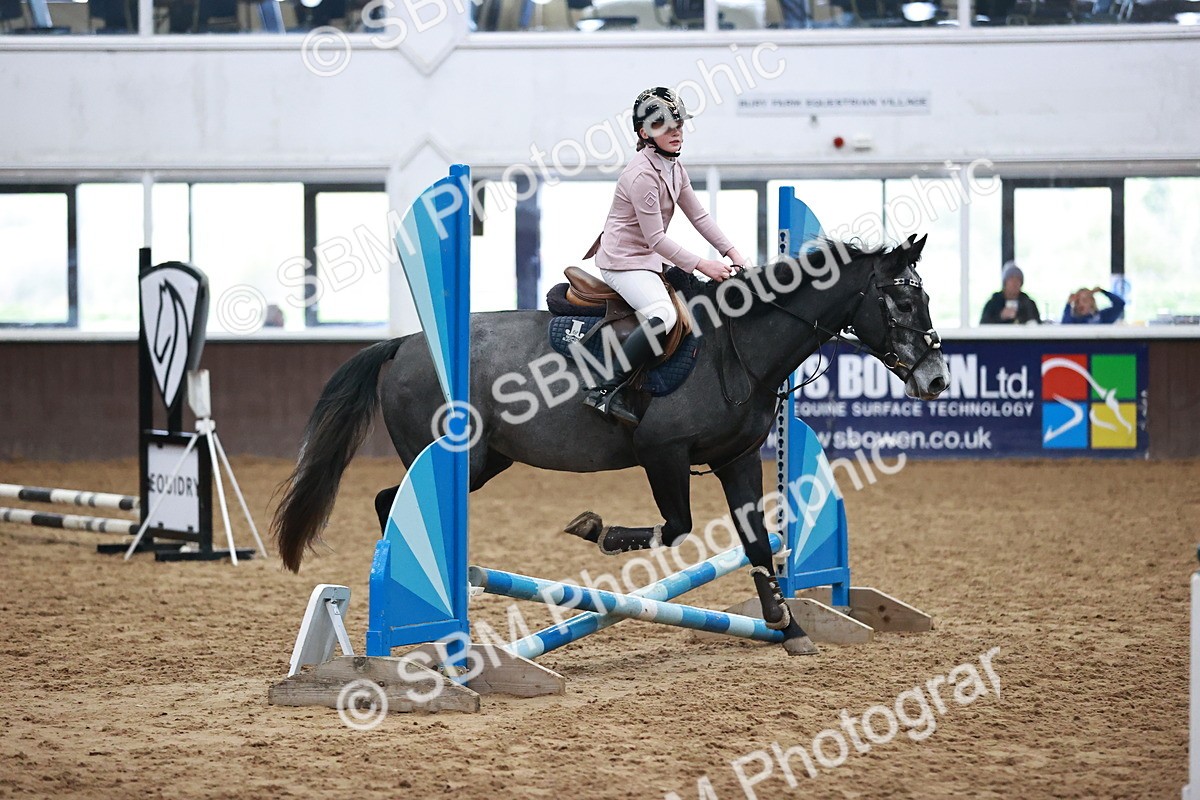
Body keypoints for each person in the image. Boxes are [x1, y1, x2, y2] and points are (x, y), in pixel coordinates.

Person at [581, 87, 748, 424]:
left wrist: (733, 253)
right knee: (665, 315)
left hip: (647, 259)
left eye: (679, 125)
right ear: (644, 133)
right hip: (623, 262)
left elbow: (699, 217)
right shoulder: (642, 174)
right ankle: (603, 390)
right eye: (664, 126)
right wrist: (704, 264)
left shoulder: (673, 167)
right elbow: (656, 238)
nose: (675, 132)